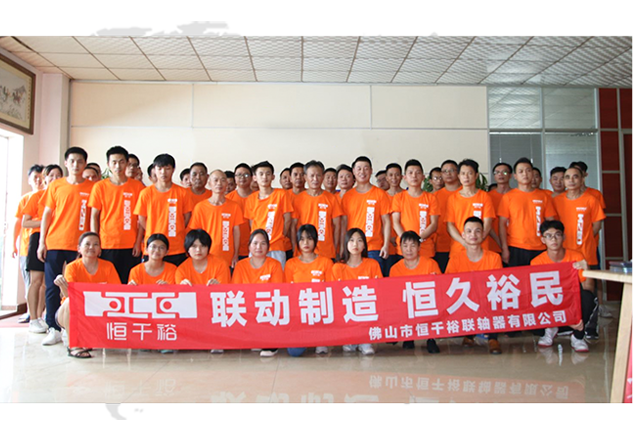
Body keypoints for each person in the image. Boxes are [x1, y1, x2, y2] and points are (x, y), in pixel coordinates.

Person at [37, 147, 95, 346]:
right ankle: (53, 327)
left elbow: (94, 216)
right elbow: (47, 214)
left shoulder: (93, 187)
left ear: (85, 164)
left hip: (80, 246)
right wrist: (42, 241)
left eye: (80, 161)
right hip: (55, 242)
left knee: (76, 287)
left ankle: (73, 327)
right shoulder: (56, 186)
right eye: (72, 161)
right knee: (53, 286)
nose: (76, 165)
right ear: (66, 163)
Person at [553, 166, 605, 339]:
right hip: (564, 255)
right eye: (567, 177)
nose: (571, 180)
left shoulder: (591, 199)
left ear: (582, 179)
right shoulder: (557, 201)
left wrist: (585, 239)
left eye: (575, 177)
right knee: (566, 291)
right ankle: (566, 325)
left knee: (588, 291)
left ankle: (590, 327)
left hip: (586, 254)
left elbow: (596, 225)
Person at [53, 232, 121, 358]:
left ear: (100, 250)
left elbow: (116, 293)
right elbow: (69, 295)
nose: (91, 247)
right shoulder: (72, 267)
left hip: (97, 313)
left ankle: (87, 338)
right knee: (69, 301)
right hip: (73, 312)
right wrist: (62, 285)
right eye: (87, 244)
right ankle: (73, 345)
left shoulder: (108, 267)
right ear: (79, 249)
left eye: (96, 244)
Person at [531, 220, 594, 353]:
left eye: (557, 235)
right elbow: (537, 294)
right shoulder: (536, 262)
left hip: (571, 300)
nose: (553, 239)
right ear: (543, 240)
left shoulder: (576, 256)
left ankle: (578, 337)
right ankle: (550, 328)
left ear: (563, 237)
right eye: (549, 236)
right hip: (550, 301)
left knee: (588, 297)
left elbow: (588, 287)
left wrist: (586, 268)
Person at [445, 217, 503, 355]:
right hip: (465, 299)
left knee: (495, 299)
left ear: (483, 234)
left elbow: (497, 285)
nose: (473, 235)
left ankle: (493, 338)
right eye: (469, 231)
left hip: (487, 298)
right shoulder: (455, 259)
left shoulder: (494, 257)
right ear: (463, 235)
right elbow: (448, 284)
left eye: (477, 231)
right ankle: (469, 334)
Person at [89, 146, 145, 283]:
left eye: (121, 162)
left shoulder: (138, 187)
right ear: (108, 164)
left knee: (129, 284)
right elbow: (94, 216)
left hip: (130, 245)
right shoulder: (100, 187)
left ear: (127, 163)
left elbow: (142, 218)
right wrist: (96, 242)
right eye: (114, 162)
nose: (118, 166)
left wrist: (138, 242)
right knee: (108, 284)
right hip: (106, 244)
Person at [22, 164, 63, 333]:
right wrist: (46, 222)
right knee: (36, 281)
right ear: (45, 178)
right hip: (38, 237)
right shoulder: (37, 196)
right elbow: (25, 222)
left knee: (51, 282)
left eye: (58, 176)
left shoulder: (62, 195)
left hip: (56, 239)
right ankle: (33, 318)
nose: (54, 179)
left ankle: (44, 316)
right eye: (51, 175)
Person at [232, 229, 285, 358]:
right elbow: (235, 292)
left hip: (267, 309)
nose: (258, 247)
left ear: (268, 247)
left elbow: (277, 292)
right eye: (255, 243)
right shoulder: (241, 266)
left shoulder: (275, 265)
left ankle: (269, 342)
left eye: (263, 243)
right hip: (247, 308)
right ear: (249, 246)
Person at [134, 153, 193, 266]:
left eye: (167, 168)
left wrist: (177, 228)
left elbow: (186, 217)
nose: (163, 172)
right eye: (160, 169)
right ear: (154, 170)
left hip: (176, 247)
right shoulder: (146, 193)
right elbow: (141, 219)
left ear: (173, 170)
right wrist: (154, 230)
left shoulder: (182, 193)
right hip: (152, 247)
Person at [284, 224, 334, 357]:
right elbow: (287, 293)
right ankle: (306, 336)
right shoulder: (291, 264)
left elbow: (331, 292)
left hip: (319, 312)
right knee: (294, 352)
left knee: (321, 348)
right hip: (299, 313)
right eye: (302, 239)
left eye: (309, 238)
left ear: (315, 240)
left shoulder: (326, 262)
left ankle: (319, 336)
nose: (305, 243)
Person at [497, 158, 557, 267]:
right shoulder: (508, 197)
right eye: (521, 171)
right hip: (515, 247)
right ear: (515, 176)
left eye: (528, 170)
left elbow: (551, 222)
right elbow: (502, 225)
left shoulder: (544, 196)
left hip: (540, 247)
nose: (525, 174)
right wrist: (504, 249)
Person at [390, 231, 442, 353]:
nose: (409, 249)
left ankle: (431, 338)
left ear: (419, 247)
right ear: (400, 248)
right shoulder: (395, 269)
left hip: (426, 304)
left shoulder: (430, 264)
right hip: (406, 305)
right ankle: (408, 336)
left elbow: (440, 288)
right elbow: (393, 295)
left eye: (412, 245)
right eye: (405, 246)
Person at [332, 228, 382, 355]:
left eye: (359, 241)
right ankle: (350, 337)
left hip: (366, 311)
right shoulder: (338, 267)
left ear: (364, 245)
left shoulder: (372, 265)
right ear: (346, 244)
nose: (355, 244)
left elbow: (379, 292)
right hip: (346, 313)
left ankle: (364, 339)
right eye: (351, 240)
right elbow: (334, 296)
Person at [341, 156, 391, 276]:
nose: (362, 172)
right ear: (354, 171)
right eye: (359, 169)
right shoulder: (347, 196)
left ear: (371, 171)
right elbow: (343, 224)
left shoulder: (380, 194)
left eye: (366, 168)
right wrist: (342, 247)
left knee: (375, 284)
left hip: (374, 248)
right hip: (353, 248)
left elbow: (386, 222)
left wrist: (386, 245)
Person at [188, 170, 243, 268]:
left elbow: (236, 232)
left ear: (226, 183)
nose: (219, 183)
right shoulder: (200, 207)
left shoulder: (234, 206)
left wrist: (236, 254)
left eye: (223, 180)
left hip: (227, 256)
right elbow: (195, 234)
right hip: (205, 255)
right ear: (209, 183)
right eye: (216, 180)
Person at [244, 161, 293, 268]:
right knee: (256, 275)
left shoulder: (281, 194)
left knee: (277, 275)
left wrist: (280, 236)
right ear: (255, 177)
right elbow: (251, 224)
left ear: (273, 177)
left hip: (276, 246)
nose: (264, 177)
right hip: (257, 247)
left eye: (268, 174)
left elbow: (287, 219)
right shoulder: (251, 199)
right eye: (261, 174)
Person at [291, 161, 343, 261]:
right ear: (305, 177)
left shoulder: (331, 199)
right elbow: (293, 226)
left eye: (318, 175)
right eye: (312, 176)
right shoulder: (298, 199)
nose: (315, 179)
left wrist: (335, 247)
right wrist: (295, 247)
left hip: (326, 252)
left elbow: (337, 226)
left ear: (322, 177)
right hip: (303, 253)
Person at [445, 159, 496, 258]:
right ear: (459, 176)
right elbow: (450, 225)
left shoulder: (484, 197)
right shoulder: (452, 198)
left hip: (481, 249)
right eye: (463, 173)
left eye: (470, 173)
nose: (466, 177)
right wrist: (465, 243)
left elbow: (488, 223)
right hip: (458, 249)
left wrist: (476, 242)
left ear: (476, 175)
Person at [13, 164, 44, 323]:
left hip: (44, 244)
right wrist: (13, 244)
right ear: (29, 180)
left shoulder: (50, 196)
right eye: (35, 178)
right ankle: (30, 313)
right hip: (27, 246)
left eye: (41, 177)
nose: (39, 180)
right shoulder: (26, 199)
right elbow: (18, 223)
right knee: (31, 281)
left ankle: (39, 313)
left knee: (43, 283)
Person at [391, 159, 439, 260]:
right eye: (410, 173)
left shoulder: (431, 198)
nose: (414, 176)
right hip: (404, 250)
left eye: (418, 173)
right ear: (405, 178)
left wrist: (417, 240)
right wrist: (407, 242)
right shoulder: (398, 198)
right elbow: (395, 222)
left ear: (423, 177)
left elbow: (434, 224)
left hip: (425, 249)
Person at [433, 159, 461, 272]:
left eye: (451, 170)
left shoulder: (465, 193)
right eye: (445, 171)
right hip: (441, 246)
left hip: (462, 246)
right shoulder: (434, 197)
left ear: (458, 173)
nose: (448, 173)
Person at [226, 163, 254, 261]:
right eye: (239, 175)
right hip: (233, 249)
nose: (242, 178)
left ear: (252, 177)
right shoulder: (228, 199)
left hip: (255, 248)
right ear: (235, 178)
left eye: (246, 175)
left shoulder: (258, 197)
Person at [488, 162, 512, 256]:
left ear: (510, 175)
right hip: (493, 244)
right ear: (494, 176)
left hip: (514, 244)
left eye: (504, 172)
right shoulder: (487, 197)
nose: (500, 175)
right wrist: (500, 243)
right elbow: (487, 224)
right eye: (497, 172)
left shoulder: (517, 195)